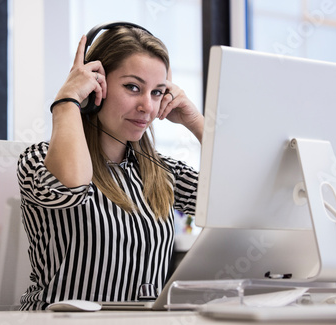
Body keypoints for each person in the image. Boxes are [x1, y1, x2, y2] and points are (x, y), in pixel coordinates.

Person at [17, 23, 204, 310]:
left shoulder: (161, 173)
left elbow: (237, 201)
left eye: (157, 92)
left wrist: (197, 122)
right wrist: (67, 101)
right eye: (133, 87)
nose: (148, 107)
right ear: (95, 86)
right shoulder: (38, 160)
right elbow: (72, 186)